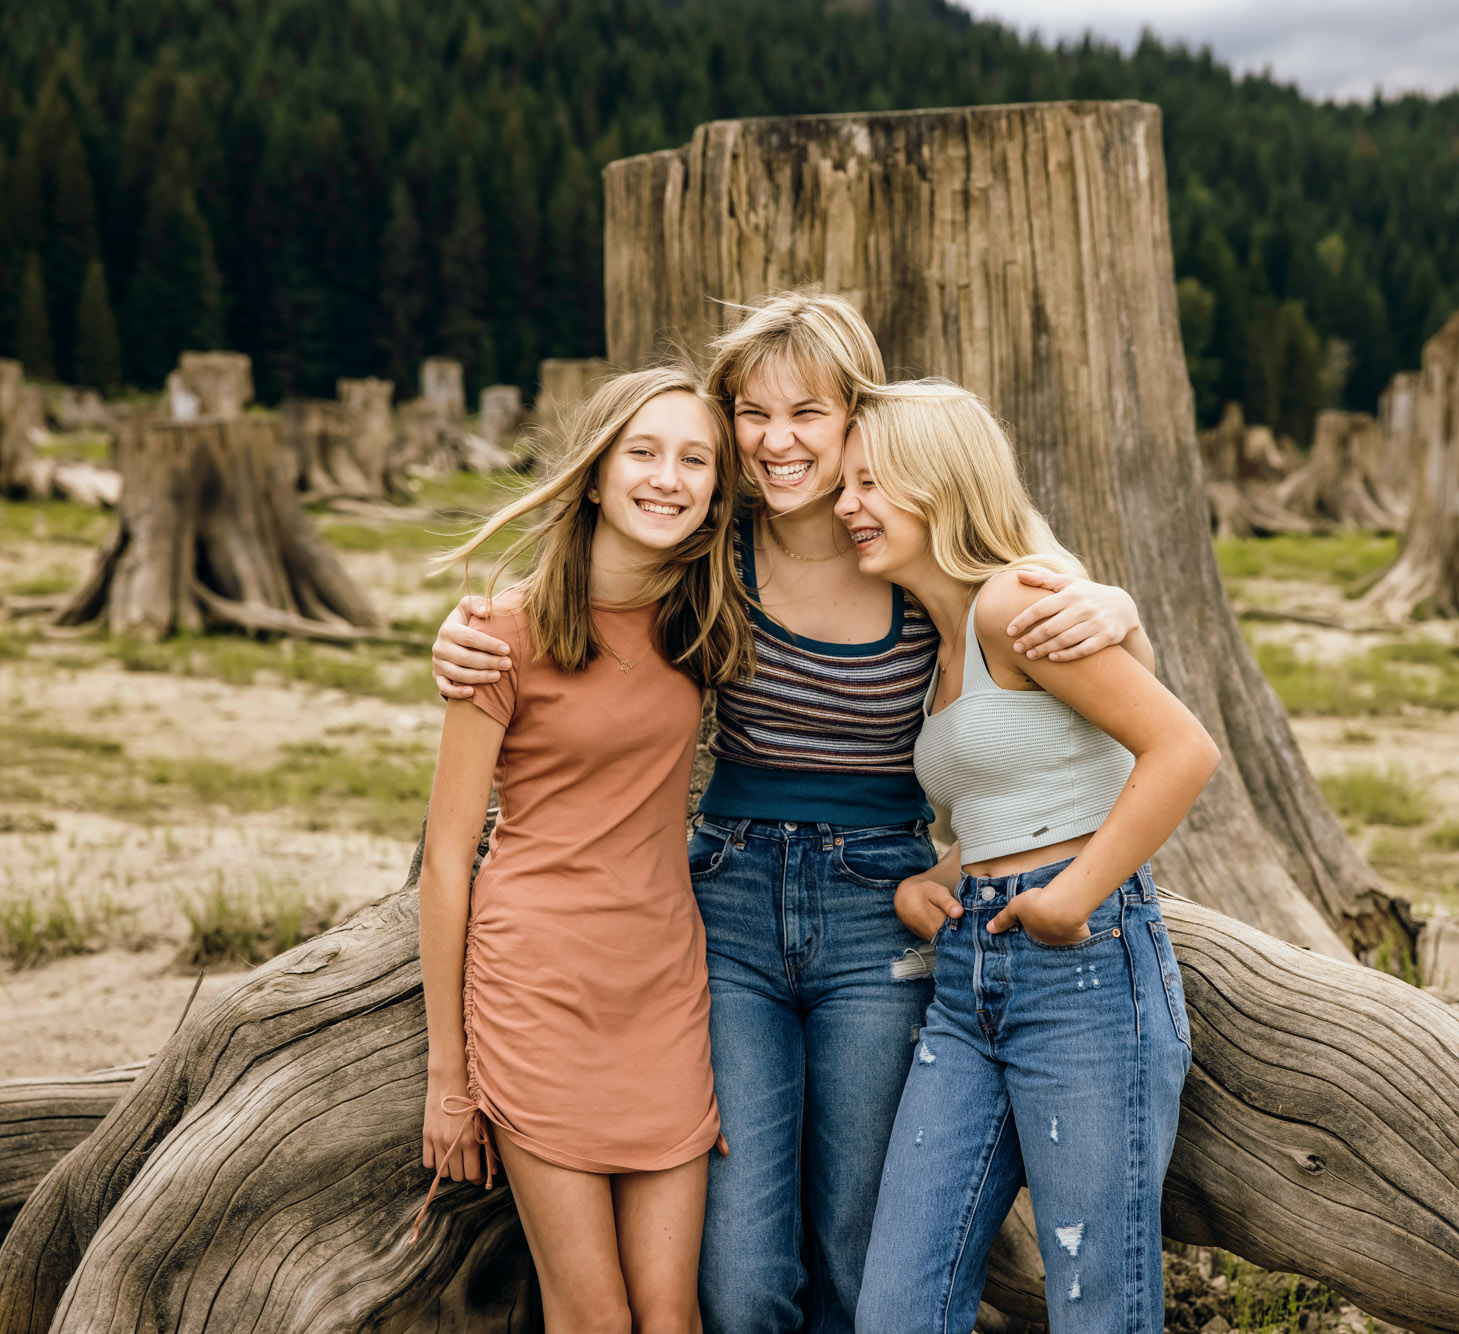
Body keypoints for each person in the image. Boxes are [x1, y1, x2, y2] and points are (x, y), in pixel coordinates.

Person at [429, 289, 1151, 1334]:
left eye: (806, 414)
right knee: (740, 1279)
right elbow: (587, 595)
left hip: (878, 907)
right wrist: (462, 641)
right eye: (750, 415)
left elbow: (1060, 628)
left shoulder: (905, 551)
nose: (774, 441)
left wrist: (1113, 604)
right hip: (723, 901)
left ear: (855, 416)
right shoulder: (710, 553)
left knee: (859, 1254)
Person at [837, 380, 1220, 1334]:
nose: (847, 507)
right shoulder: (939, 644)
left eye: (871, 483)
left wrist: (1069, 897)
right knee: (897, 1307)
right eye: (845, 486)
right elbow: (1027, 793)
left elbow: (1182, 750)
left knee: (1099, 1307)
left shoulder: (1015, 602)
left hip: (1084, 971)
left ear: (942, 483)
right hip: (970, 986)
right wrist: (942, 876)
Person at [415, 365, 752, 1334]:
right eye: (642, 451)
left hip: (663, 984)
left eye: (695, 459)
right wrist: (450, 1076)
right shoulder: (499, 633)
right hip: (539, 987)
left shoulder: (704, 618)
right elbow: (447, 861)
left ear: (716, 494)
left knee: (671, 1311)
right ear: (595, 474)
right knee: (592, 1314)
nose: (667, 476)